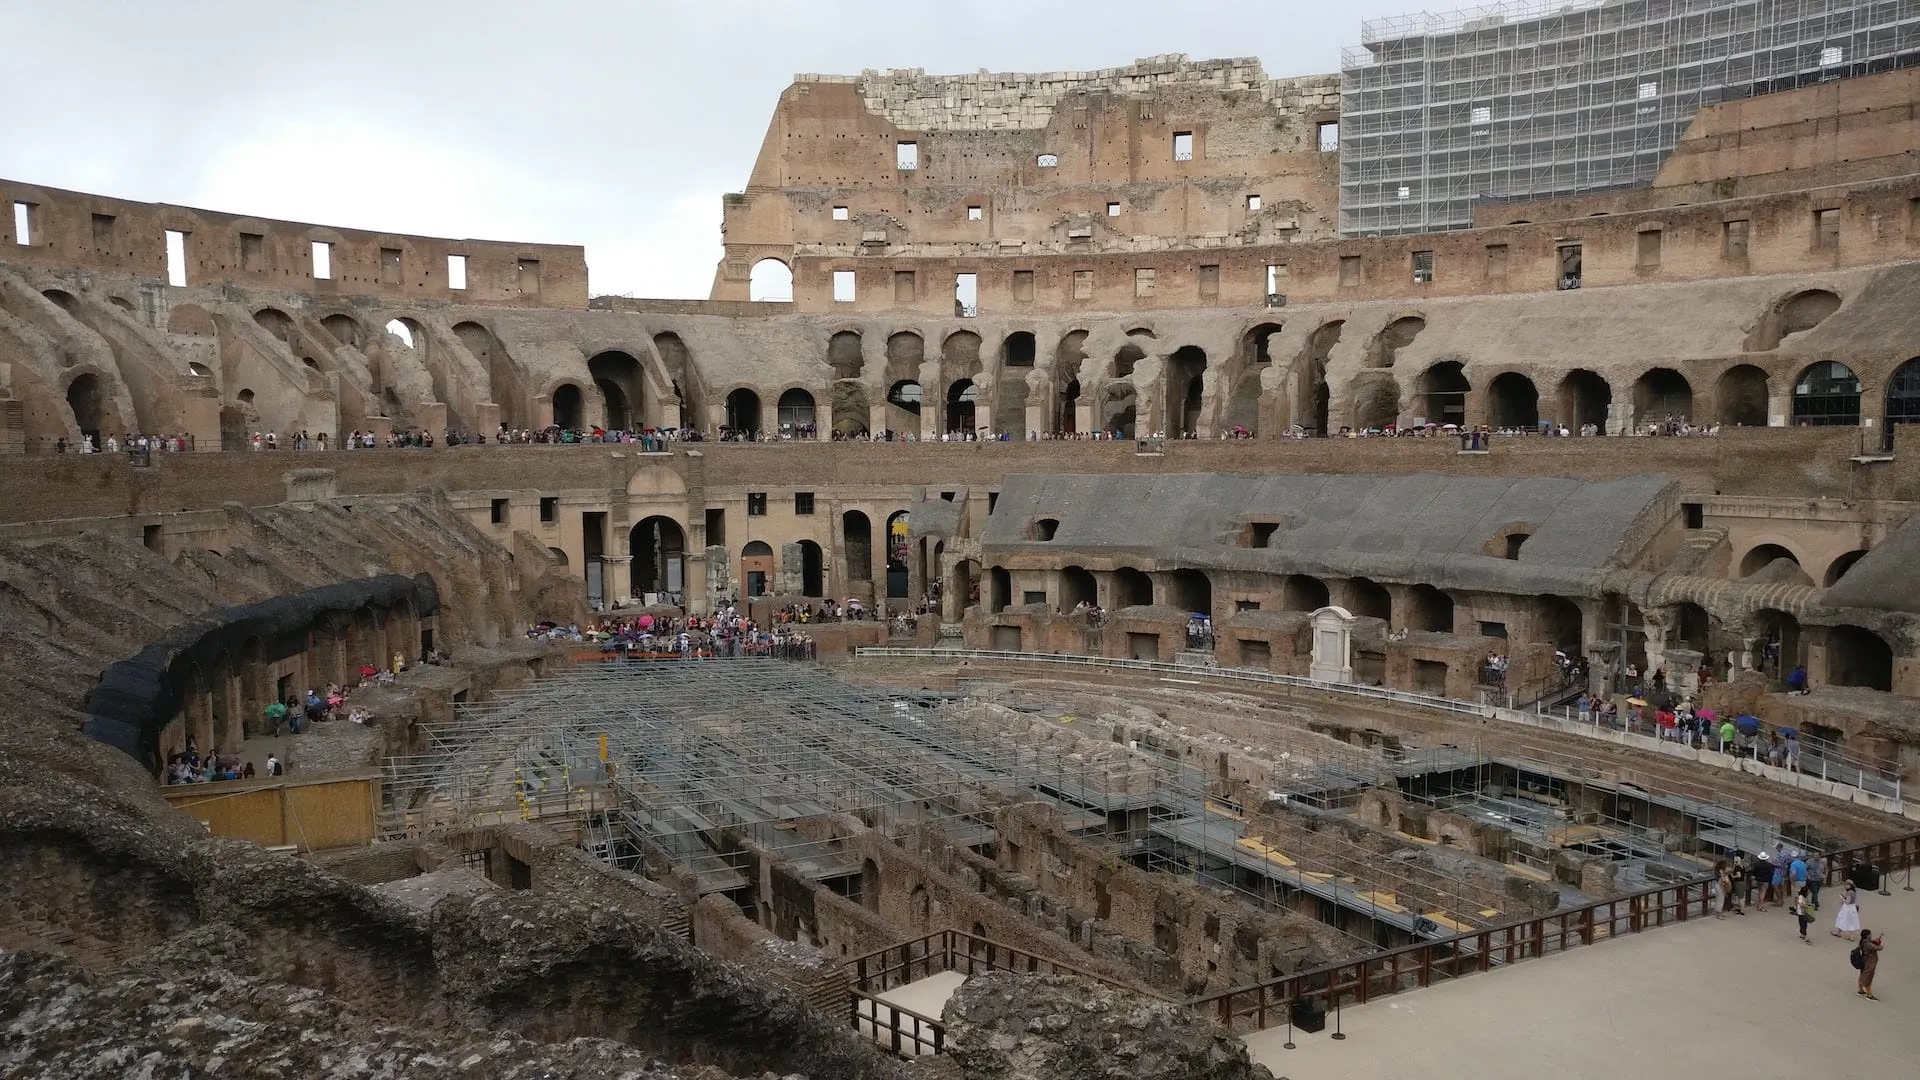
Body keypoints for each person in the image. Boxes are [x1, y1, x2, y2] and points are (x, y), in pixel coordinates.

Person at [1854, 927, 1884, 999]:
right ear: (1867, 935)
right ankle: (1869, 995)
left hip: (1864, 960)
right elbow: (1880, 948)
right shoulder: (1868, 944)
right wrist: (1882, 941)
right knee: (1868, 977)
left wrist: (1877, 940)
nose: (1871, 935)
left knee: (1863, 974)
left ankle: (1860, 990)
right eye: (1870, 934)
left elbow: (1872, 942)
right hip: (1870, 962)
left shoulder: (1863, 941)